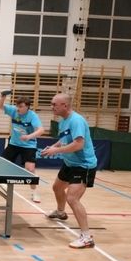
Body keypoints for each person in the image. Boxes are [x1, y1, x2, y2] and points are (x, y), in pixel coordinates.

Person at [41, 93, 98, 249]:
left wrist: (56, 151)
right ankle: (60, 212)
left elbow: (79, 144)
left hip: (83, 165)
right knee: (57, 187)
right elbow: (64, 139)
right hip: (70, 163)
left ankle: (86, 237)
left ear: (65, 106)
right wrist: (54, 146)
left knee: (72, 199)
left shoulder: (76, 120)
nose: (52, 107)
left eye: (54, 104)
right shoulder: (63, 121)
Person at [0, 93, 44, 203]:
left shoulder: (32, 116)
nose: (18, 108)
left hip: (29, 145)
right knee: (1, 165)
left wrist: (29, 137)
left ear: (27, 106)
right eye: (17, 106)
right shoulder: (14, 111)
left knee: (30, 169)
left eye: (21, 106)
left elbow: (41, 130)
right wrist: (3, 98)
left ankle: (34, 192)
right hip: (14, 144)